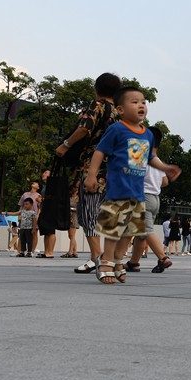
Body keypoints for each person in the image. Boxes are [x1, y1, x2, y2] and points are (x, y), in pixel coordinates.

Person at [84, 86, 179, 284]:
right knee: (114, 230)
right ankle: (106, 262)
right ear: (120, 109)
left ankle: (119, 261)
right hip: (118, 189)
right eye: (134, 102)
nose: (141, 105)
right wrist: (91, 175)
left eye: (143, 102)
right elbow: (100, 152)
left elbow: (151, 157)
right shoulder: (117, 129)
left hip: (138, 193)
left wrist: (165, 167)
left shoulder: (147, 134)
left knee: (130, 232)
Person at [55, 72, 122, 274]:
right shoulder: (120, 113)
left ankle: (100, 258)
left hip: (92, 168)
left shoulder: (98, 106)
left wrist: (65, 145)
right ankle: (97, 257)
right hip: (114, 170)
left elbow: (85, 128)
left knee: (89, 213)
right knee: (92, 214)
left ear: (97, 88)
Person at [124, 126, 178, 274]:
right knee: (141, 233)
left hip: (143, 197)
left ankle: (162, 258)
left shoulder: (141, 156)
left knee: (146, 230)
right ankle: (134, 263)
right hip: (155, 198)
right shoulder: (158, 161)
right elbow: (165, 181)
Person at [17, 181, 44, 256]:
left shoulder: (38, 196)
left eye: (36, 183)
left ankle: (31, 251)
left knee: (34, 233)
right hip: (24, 217)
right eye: (33, 183)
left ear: (38, 187)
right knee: (22, 234)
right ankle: (20, 251)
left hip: (33, 217)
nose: (33, 183)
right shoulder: (25, 194)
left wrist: (38, 216)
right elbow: (21, 205)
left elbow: (40, 207)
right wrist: (20, 215)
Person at [62, 186, 79, 258]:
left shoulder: (78, 198)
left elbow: (78, 209)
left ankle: (70, 251)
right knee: (70, 235)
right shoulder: (69, 198)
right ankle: (75, 252)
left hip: (74, 216)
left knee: (72, 235)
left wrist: (70, 208)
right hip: (68, 216)